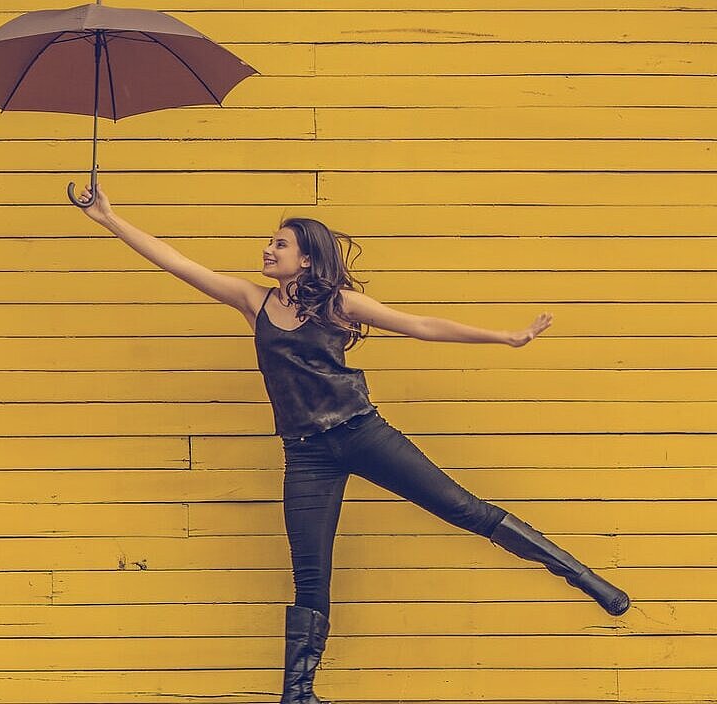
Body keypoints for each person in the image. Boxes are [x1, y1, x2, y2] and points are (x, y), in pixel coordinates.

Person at [70, 184, 631, 704]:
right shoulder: (252, 300)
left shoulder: (338, 303)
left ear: (306, 258)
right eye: (271, 243)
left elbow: (420, 325)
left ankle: (584, 578)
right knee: (310, 572)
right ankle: (298, 694)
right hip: (306, 454)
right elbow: (175, 261)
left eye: (279, 244)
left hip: (361, 433)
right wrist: (109, 218)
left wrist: (506, 337)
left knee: (465, 509)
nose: (268, 250)